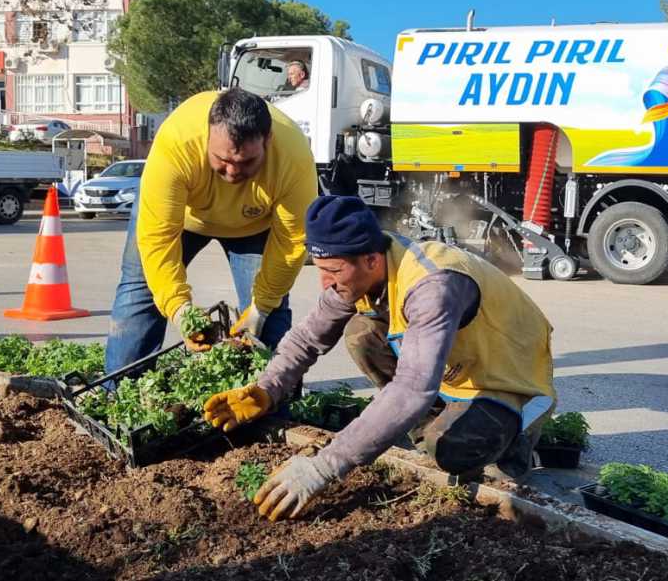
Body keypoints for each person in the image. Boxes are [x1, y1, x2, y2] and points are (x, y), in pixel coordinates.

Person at [204, 195, 556, 521]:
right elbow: (308, 337)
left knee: (450, 451)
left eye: (333, 271)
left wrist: (323, 467)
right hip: (459, 368)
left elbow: (411, 389)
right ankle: (431, 427)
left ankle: (515, 440)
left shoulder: (432, 287)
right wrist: (267, 389)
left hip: (509, 375)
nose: (325, 282)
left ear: (371, 260)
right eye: (320, 269)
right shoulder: (361, 269)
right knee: (361, 333)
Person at [104, 88, 317, 374]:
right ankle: (119, 391)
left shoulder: (293, 157)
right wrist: (180, 310)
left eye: (246, 162)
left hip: (254, 224)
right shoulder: (176, 142)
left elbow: (292, 241)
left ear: (268, 140)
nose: (232, 172)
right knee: (140, 289)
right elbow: (158, 238)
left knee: (270, 311)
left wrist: (260, 308)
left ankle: (271, 403)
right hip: (183, 218)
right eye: (222, 160)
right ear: (208, 135)